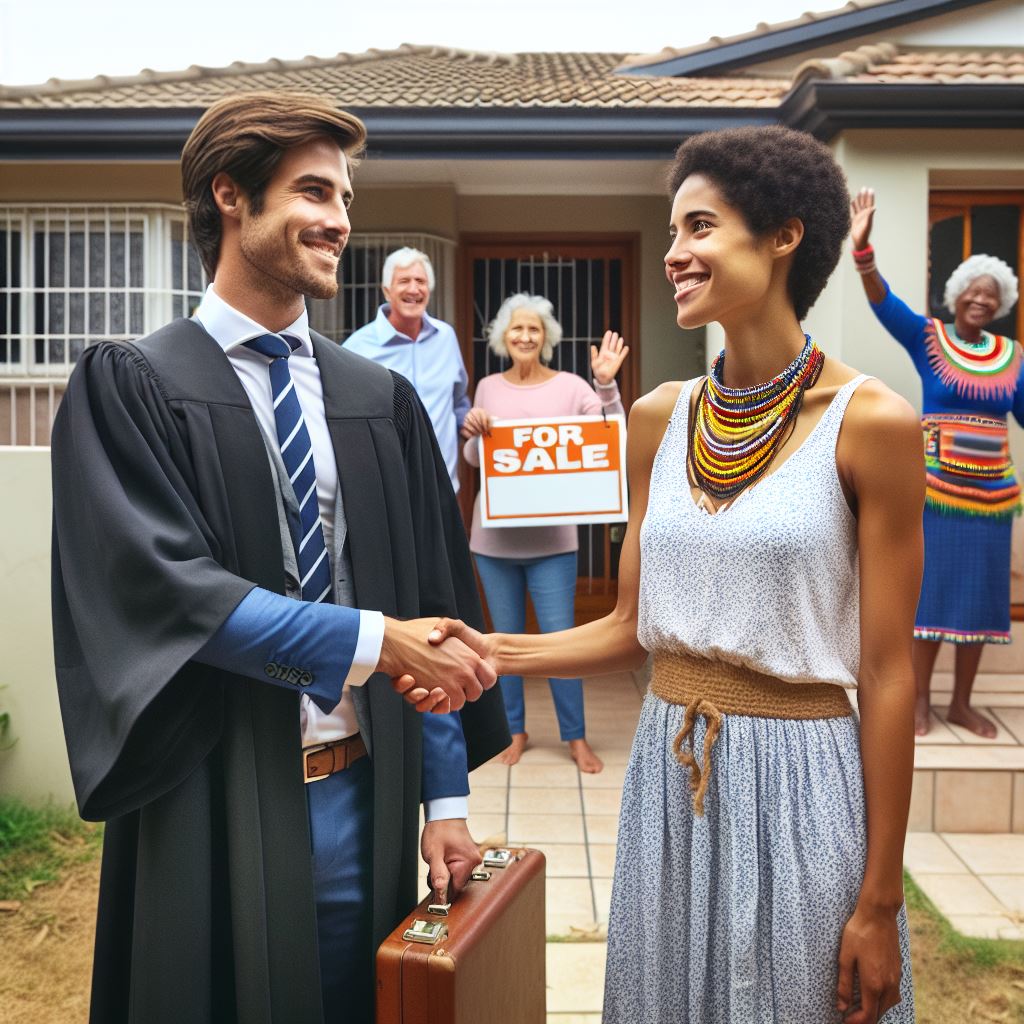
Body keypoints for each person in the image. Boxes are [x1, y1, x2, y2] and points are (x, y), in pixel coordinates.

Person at [423, 126, 920, 1023]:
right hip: (669, 774)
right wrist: (477, 651)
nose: (674, 255)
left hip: (803, 782)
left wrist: (880, 899)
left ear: (783, 236)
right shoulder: (659, 417)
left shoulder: (873, 423)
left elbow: (888, 674)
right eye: (670, 231)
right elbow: (628, 627)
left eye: (699, 227)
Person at [49, 93, 508, 1024]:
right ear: (230, 195)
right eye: (312, 192)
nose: (341, 220)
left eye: (344, 196)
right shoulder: (132, 384)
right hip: (208, 802)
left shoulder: (376, 399)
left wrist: (444, 801)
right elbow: (170, 593)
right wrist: (375, 640)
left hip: (361, 795)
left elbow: (431, 604)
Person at [851, 187, 1023, 740]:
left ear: (1002, 304)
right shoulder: (929, 339)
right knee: (931, 597)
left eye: (991, 295)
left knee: (979, 603)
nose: (981, 299)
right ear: (954, 297)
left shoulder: (1014, 358)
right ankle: (920, 700)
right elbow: (885, 305)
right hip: (937, 495)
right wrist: (863, 253)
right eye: (972, 291)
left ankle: (961, 704)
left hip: (993, 502)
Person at [459, 293, 628, 773]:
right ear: (503, 338)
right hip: (493, 542)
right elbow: (476, 464)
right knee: (503, 643)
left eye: (534, 329)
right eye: (517, 329)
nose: (525, 336)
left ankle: (575, 737)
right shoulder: (488, 386)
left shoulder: (575, 386)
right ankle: (513, 731)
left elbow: (610, 442)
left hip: (554, 543)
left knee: (561, 642)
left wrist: (606, 385)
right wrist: (473, 435)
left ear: (547, 337)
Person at [343, 247, 470, 492]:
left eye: (420, 281)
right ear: (387, 290)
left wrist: (471, 420)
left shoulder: (446, 337)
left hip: (441, 487)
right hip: (387, 489)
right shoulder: (357, 347)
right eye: (404, 281)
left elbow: (458, 403)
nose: (413, 289)